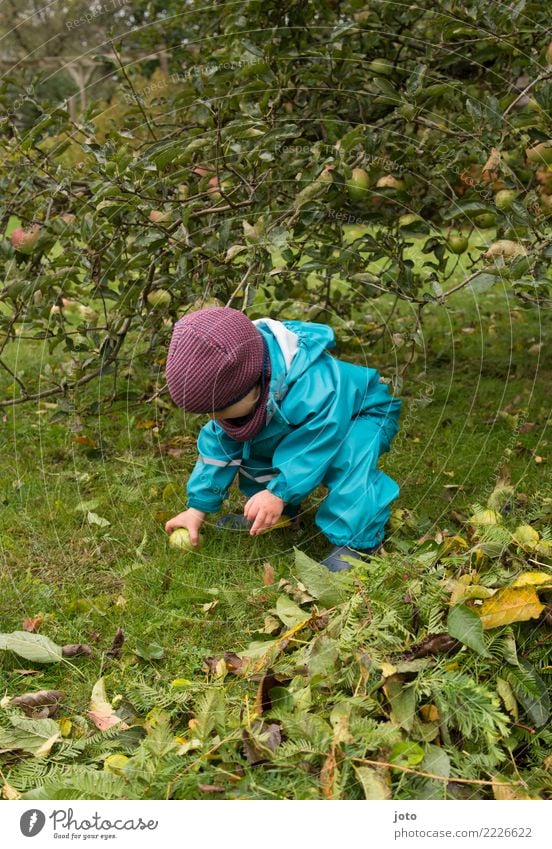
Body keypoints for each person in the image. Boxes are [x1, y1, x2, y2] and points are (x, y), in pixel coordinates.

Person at [163, 306, 402, 572]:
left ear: (253, 387)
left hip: (359, 414)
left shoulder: (316, 387)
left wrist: (280, 491)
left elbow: (315, 446)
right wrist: (196, 510)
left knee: (348, 458)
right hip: (307, 418)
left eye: (219, 410)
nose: (214, 417)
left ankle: (357, 542)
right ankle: (275, 514)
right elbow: (217, 450)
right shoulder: (247, 389)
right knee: (256, 442)